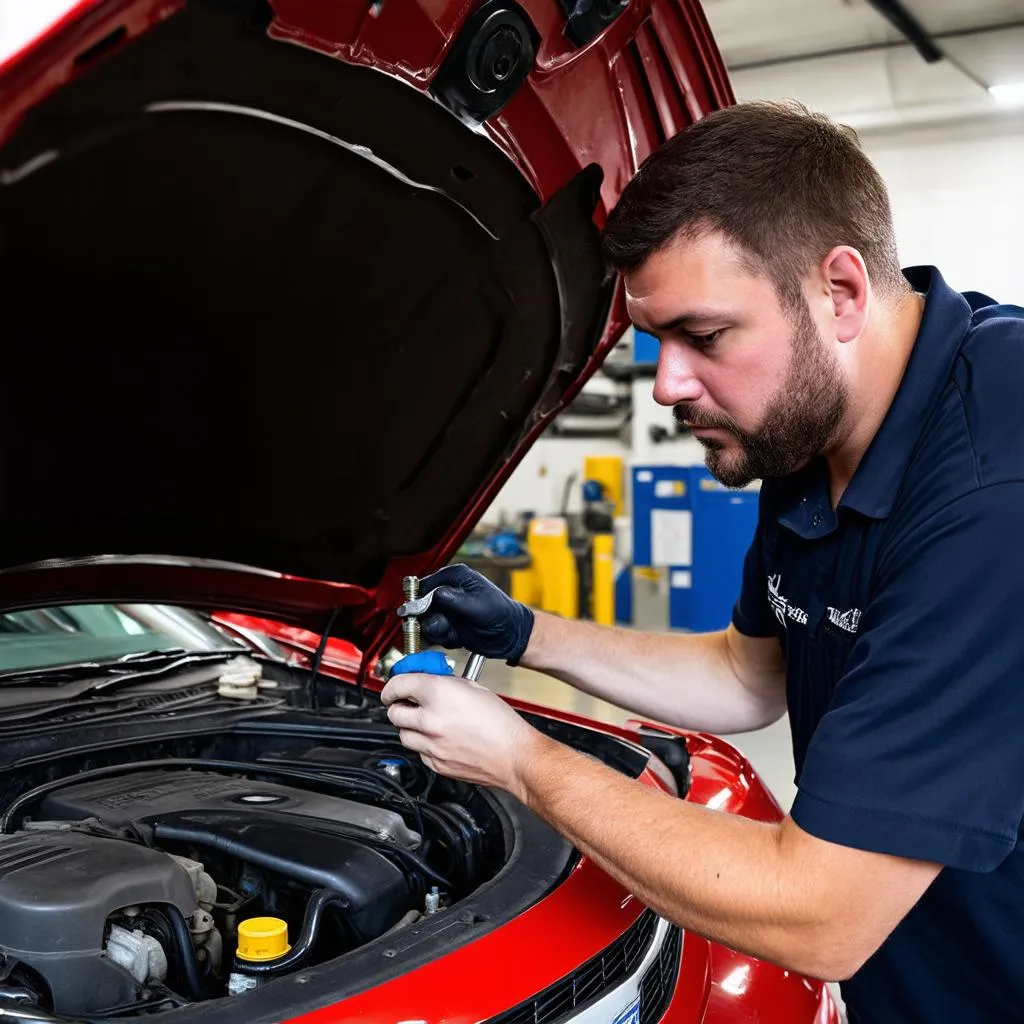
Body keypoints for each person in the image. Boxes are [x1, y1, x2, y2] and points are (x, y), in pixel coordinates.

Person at [381, 101, 1024, 1023]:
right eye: (656, 345)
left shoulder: (993, 488)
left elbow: (823, 915)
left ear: (840, 292)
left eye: (705, 337)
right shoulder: (810, 434)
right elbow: (746, 676)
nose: (669, 384)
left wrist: (522, 760)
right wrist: (529, 633)